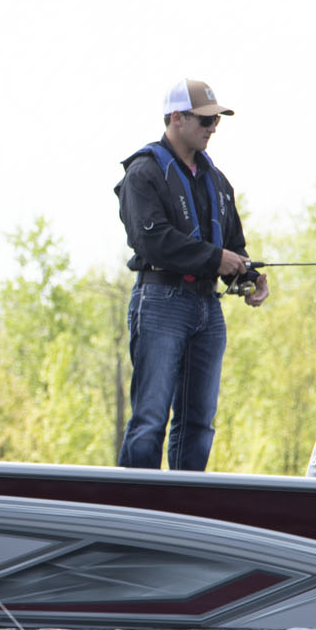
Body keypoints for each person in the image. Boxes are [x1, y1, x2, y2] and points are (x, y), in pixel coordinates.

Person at [114, 78, 269, 471]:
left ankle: (183, 503)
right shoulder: (143, 173)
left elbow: (233, 246)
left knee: (199, 424)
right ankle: (131, 503)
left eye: (216, 120)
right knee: (150, 420)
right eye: (205, 119)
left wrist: (247, 277)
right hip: (160, 302)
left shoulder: (217, 182)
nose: (213, 127)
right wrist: (217, 259)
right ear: (177, 118)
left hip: (207, 309)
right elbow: (152, 241)